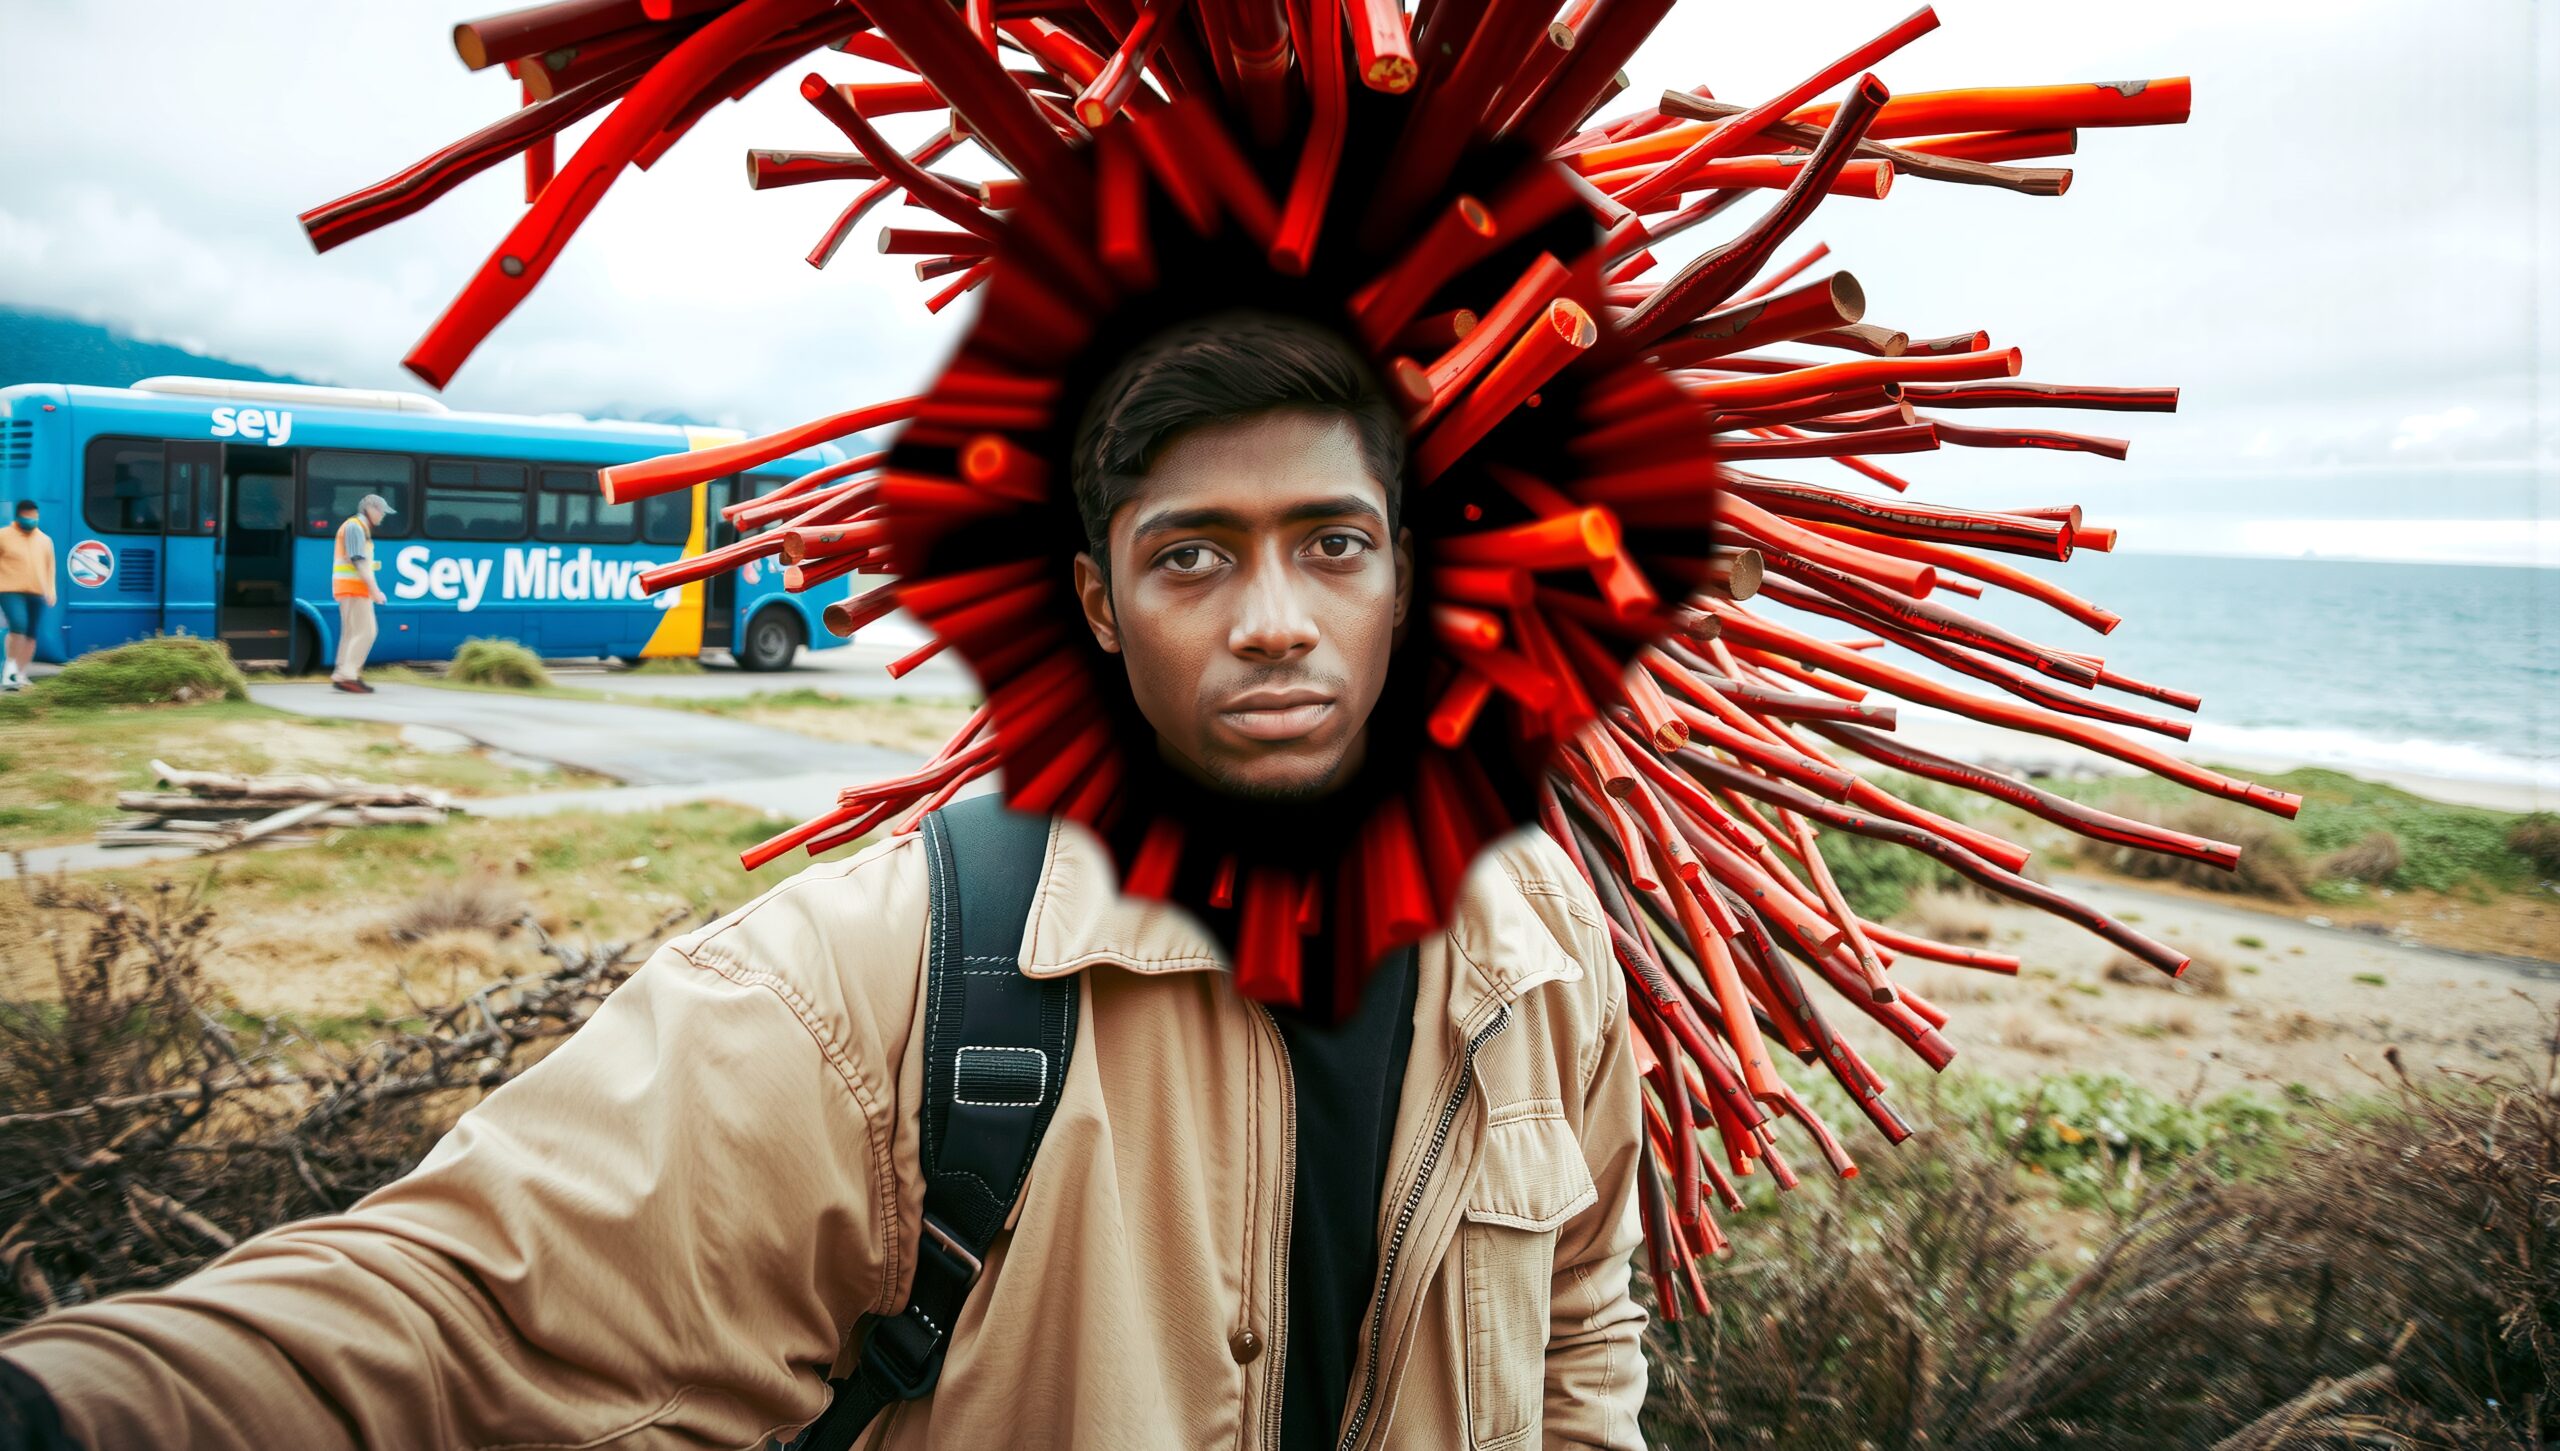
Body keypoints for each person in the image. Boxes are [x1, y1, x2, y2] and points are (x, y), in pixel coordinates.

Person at [0, 314, 1648, 1451]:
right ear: (1095, 601)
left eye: (1335, 544)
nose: (1276, 617)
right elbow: (467, 1318)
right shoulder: (897, 978)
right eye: (1194, 553)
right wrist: (83, 1408)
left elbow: (1581, 1322)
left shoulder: (1543, 944)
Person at [331, 491, 393, 693]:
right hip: (354, 589)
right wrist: (375, 590)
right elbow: (359, 561)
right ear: (370, 509)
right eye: (381, 511)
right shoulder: (355, 527)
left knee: (351, 632)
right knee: (367, 631)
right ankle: (348, 675)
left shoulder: (358, 528)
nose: (383, 515)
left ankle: (344, 673)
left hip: (349, 589)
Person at [0, 500, 54, 693]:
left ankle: (21, 674)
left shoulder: (44, 540)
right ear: (18, 516)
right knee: (18, 625)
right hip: (8, 589)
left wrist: (51, 590)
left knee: (31, 634)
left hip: (36, 592)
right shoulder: (3, 536)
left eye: (35, 517)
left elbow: (50, 567)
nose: (32, 521)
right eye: (28, 517)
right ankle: (9, 671)